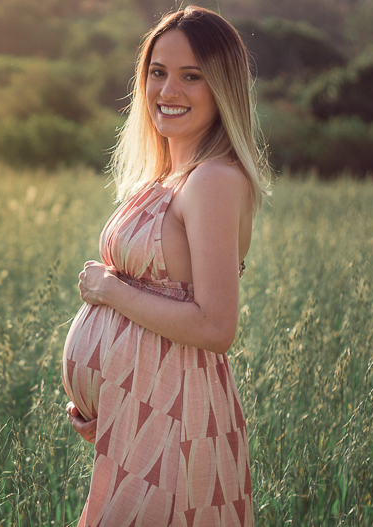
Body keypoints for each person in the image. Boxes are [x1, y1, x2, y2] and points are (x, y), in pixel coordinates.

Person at [61, 5, 270, 526]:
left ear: (223, 87)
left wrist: (109, 290)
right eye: (158, 72)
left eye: (191, 76)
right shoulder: (169, 178)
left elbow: (216, 326)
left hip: (179, 418)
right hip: (141, 418)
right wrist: (109, 404)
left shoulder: (214, 181)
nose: (167, 90)